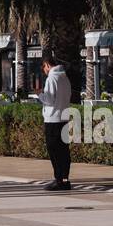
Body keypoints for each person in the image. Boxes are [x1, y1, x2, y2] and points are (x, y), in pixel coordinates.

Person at [38, 55, 72, 191]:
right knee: (64, 151)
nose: (44, 71)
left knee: (54, 150)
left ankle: (59, 180)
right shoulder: (65, 78)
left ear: (47, 65)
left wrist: (39, 94)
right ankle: (65, 179)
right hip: (64, 118)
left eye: (43, 68)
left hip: (53, 120)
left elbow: (49, 100)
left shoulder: (52, 78)